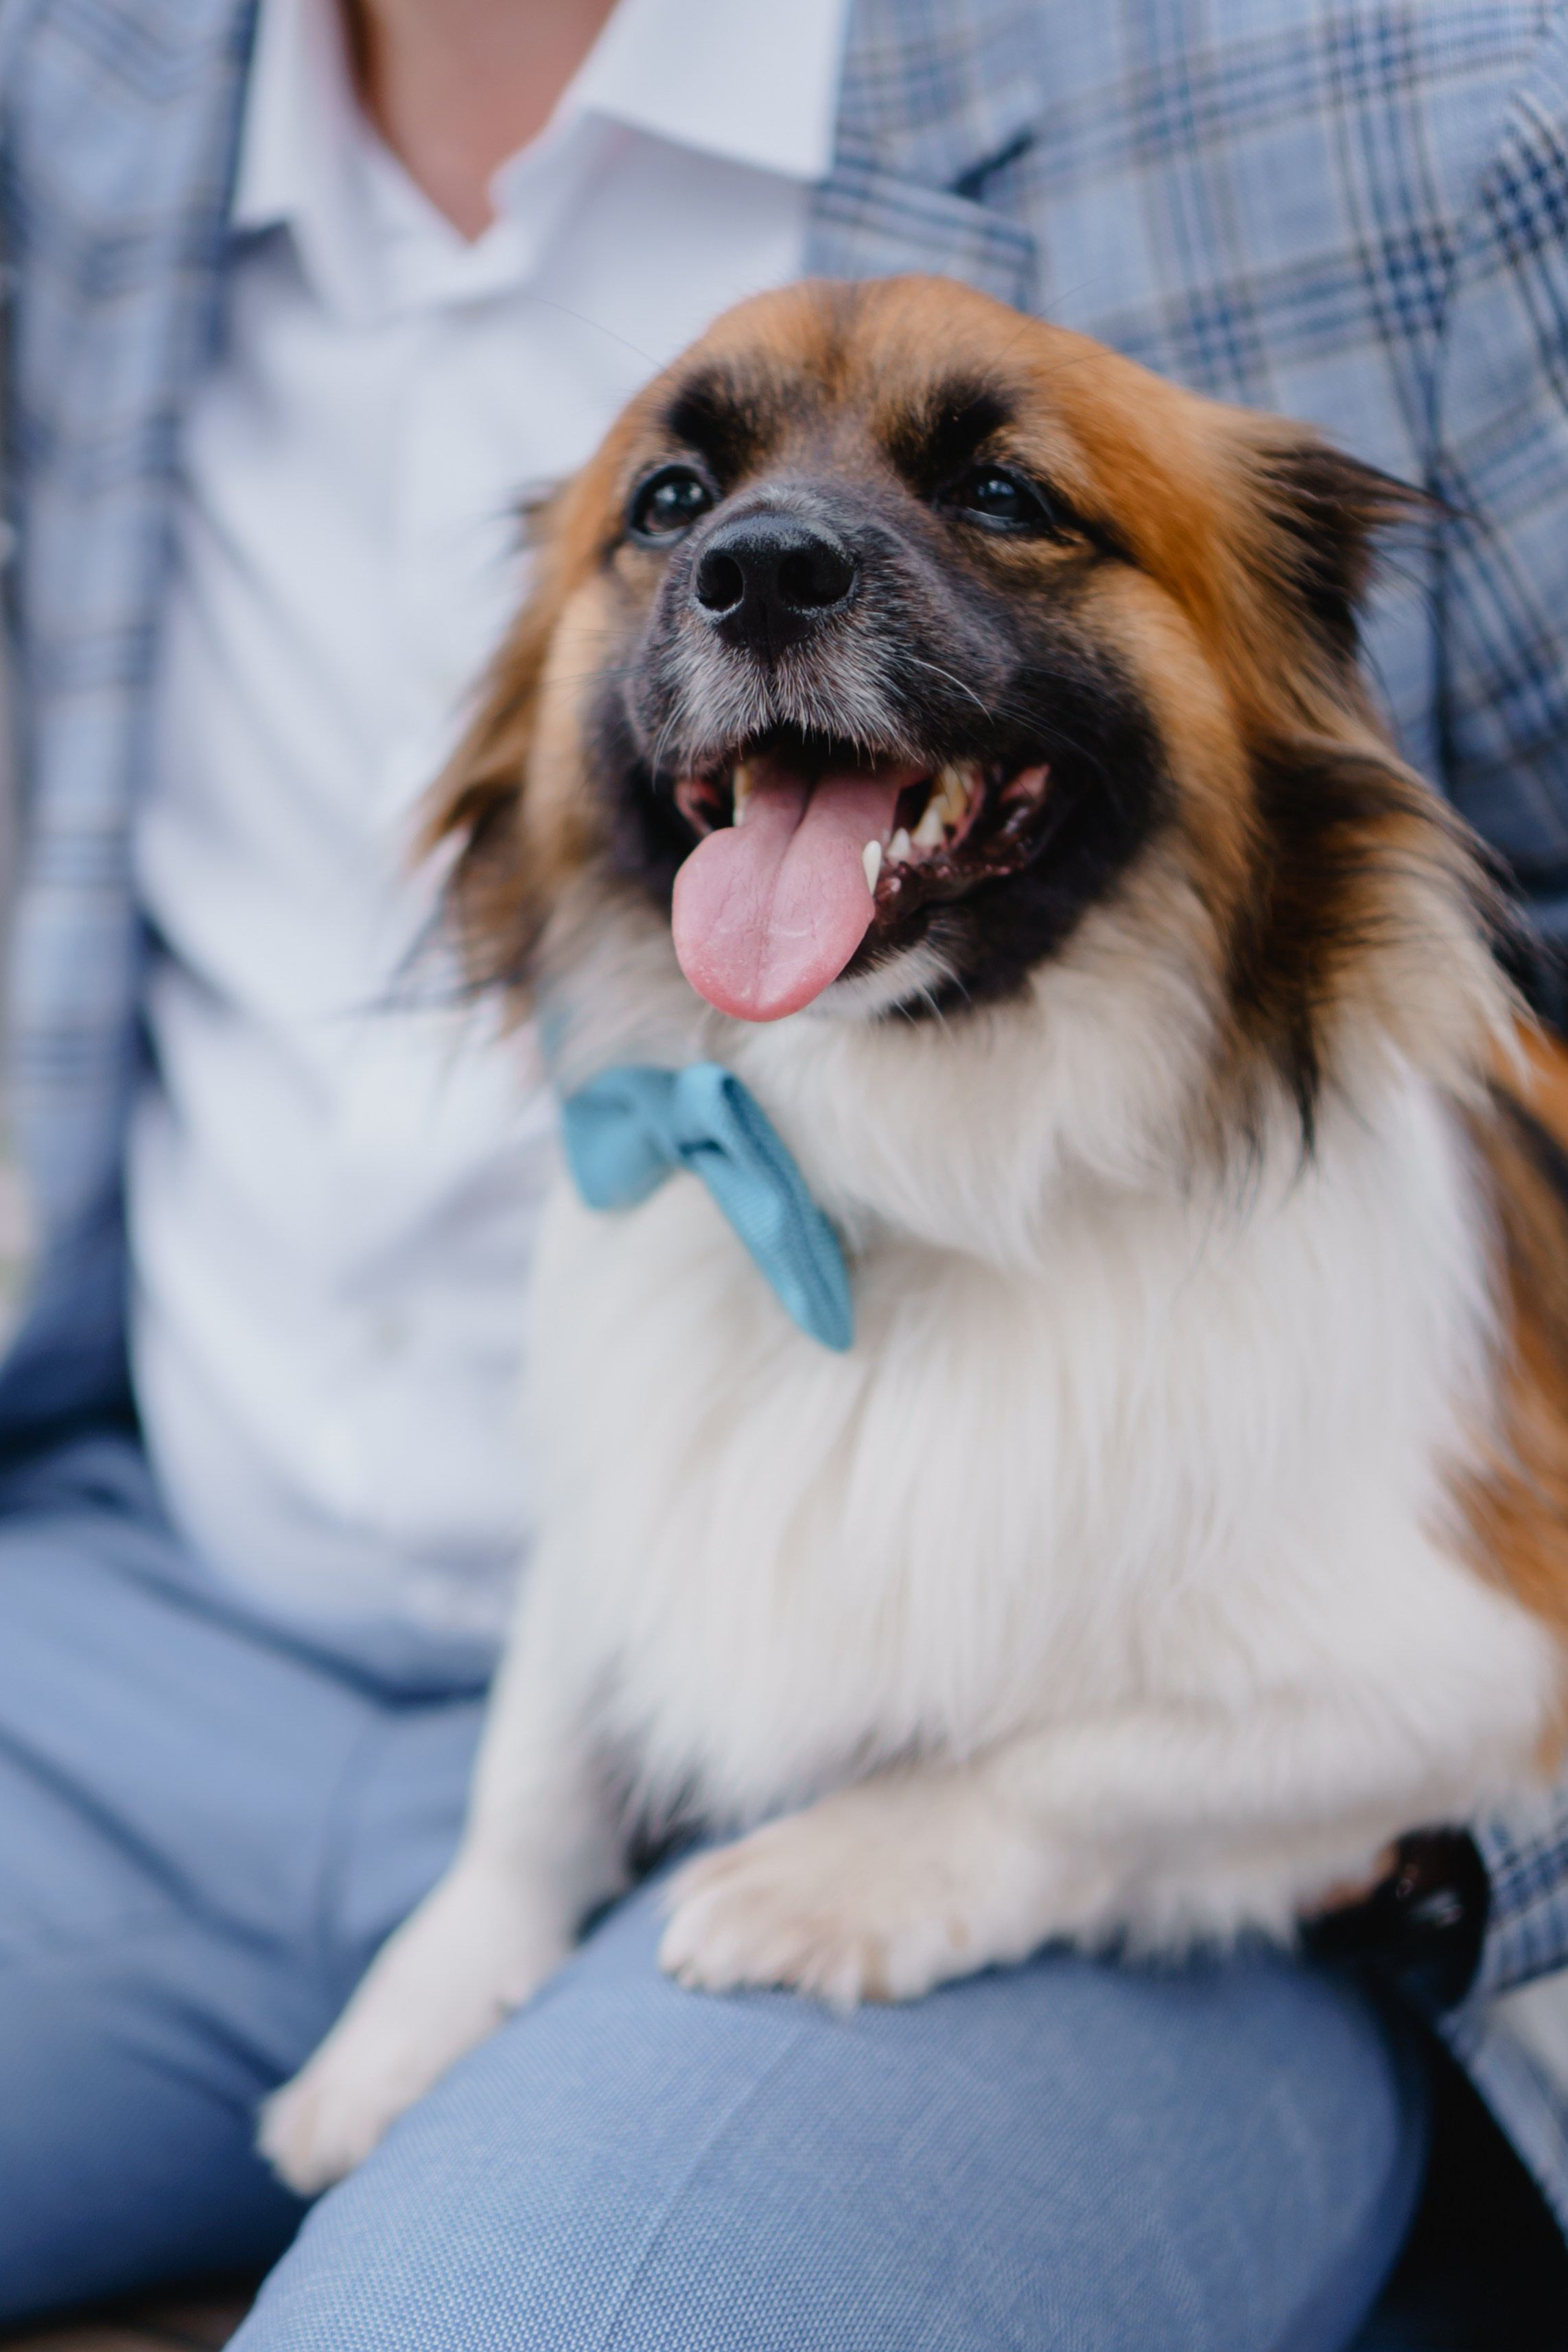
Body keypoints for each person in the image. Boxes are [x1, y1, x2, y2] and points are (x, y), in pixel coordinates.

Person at [1, 0, 1567, 2342]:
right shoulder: (78, 82)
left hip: (1083, 1815)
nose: (763, 558)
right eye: (674, 518)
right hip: (158, 1627)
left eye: (1003, 495)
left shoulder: (1418, 83)